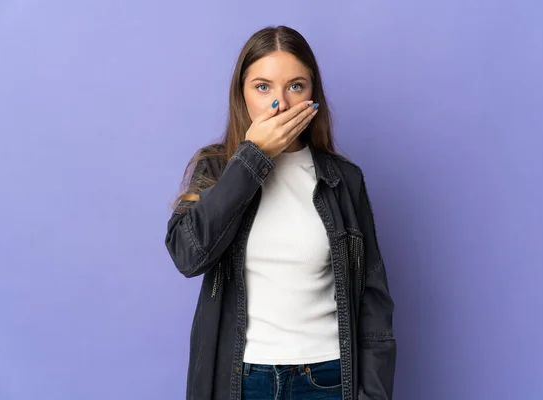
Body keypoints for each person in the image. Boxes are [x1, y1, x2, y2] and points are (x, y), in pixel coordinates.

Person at [165, 25, 396, 400]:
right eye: (263, 87)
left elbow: (373, 299)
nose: (281, 104)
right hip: (243, 380)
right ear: (241, 94)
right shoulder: (216, 168)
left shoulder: (344, 180)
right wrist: (253, 157)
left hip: (328, 379)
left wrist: (373, 394)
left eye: (295, 86)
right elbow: (188, 256)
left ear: (313, 93)